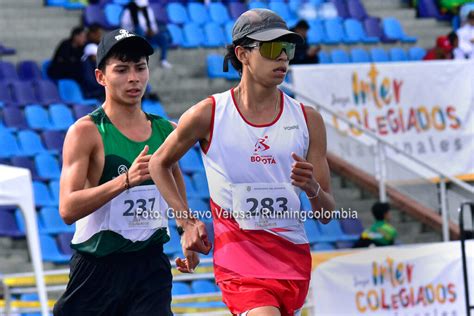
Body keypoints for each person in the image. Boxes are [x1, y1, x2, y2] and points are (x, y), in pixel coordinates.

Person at [149, 9, 335, 316]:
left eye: (288, 49)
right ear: (242, 54)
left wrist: (313, 187)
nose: (283, 59)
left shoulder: (308, 120)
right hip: (239, 263)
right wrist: (186, 223)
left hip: (292, 262)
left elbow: (327, 214)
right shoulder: (208, 113)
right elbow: (159, 164)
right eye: (272, 49)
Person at [53, 28, 202, 315]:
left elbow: (174, 181)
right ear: (101, 77)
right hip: (98, 268)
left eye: (140, 68)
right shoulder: (86, 132)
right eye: (121, 69)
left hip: (150, 266)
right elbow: (67, 208)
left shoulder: (167, 130)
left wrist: (187, 229)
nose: (134, 78)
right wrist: (125, 181)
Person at [121, 0, 173, 69]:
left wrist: (152, 31)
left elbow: (152, 23)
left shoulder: (148, 10)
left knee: (163, 37)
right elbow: (125, 27)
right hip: (135, 36)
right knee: (139, 30)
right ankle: (142, 58)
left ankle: (163, 60)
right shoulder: (128, 12)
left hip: (148, 35)